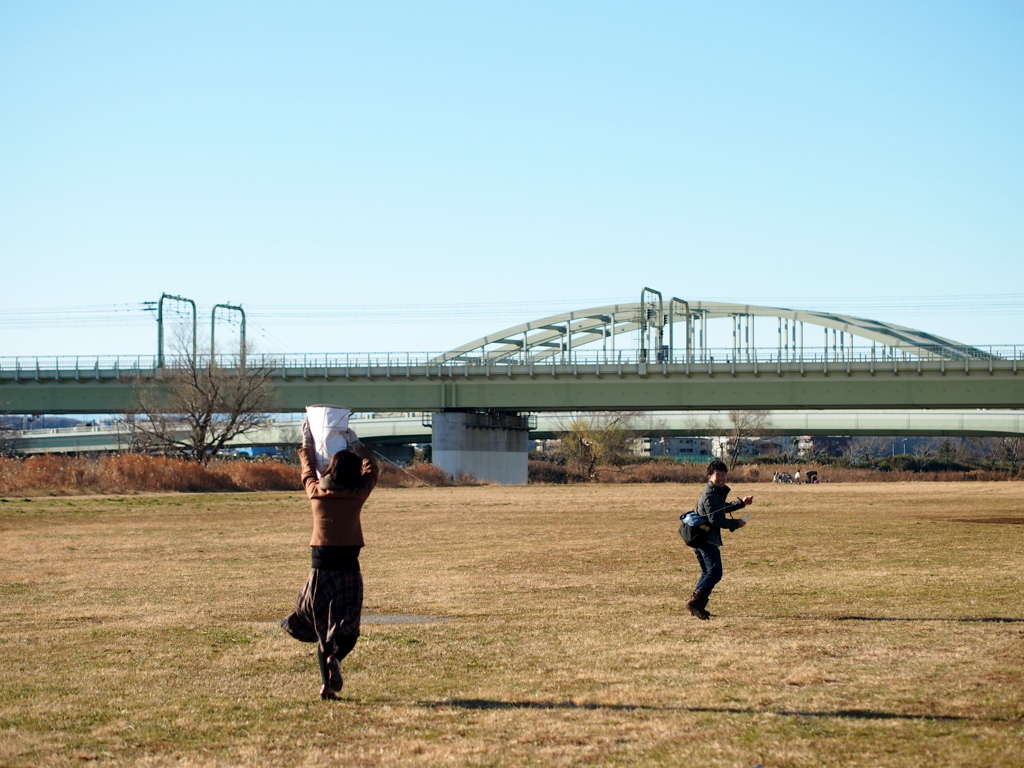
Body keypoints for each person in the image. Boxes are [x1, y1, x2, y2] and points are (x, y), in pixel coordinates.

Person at [281, 420, 379, 699]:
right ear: (353, 474)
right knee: (349, 628)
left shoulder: (316, 492)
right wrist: (357, 443)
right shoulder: (357, 494)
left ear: (330, 470)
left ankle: (326, 686)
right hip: (348, 565)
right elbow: (372, 470)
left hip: (320, 568)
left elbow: (307, 470)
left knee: (324, 628)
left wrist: (308, 440)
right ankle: (336, 658)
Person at [687, 458, 753, 620]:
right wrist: (736, 523)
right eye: (718, 475)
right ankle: (695, 603)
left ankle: (697, 604)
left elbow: (721, 508)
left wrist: (741, 503)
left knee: (707, 572)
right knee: (715, 573)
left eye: (724, 474)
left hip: (701, 537)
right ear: (710, 476)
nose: (722, 478)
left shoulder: (715, 491)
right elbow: (715, 519)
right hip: (705, 538)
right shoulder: (710, 494)